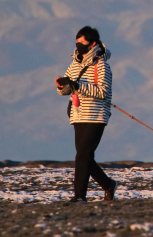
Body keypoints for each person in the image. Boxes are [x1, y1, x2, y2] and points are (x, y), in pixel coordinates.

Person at [56, 26, 118, 202]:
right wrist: (62, 87)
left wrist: (77, 85)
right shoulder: (74, 63)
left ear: (93, 44)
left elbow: (103, 92)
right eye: (77, 42)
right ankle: (108, 185)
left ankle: (79, 196)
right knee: (85, 157)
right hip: (77, 114)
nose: (78, 45)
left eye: (82, 42)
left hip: (96, 115)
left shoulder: (102, 66)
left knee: (82, 155)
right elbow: (67, 89)